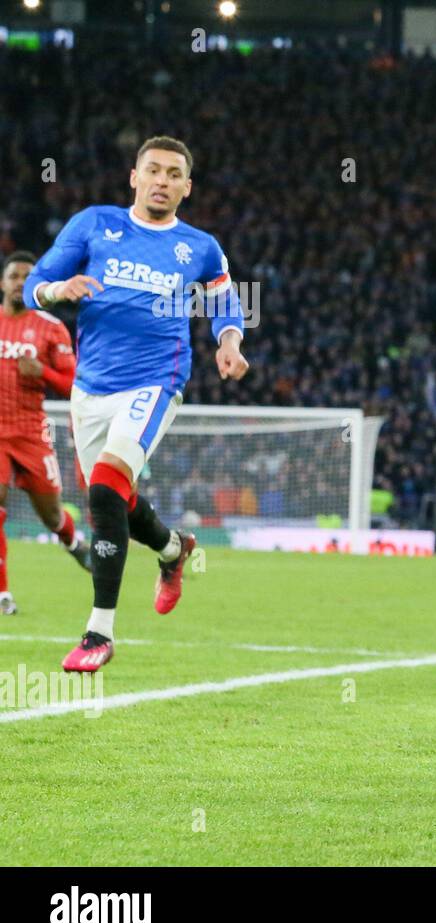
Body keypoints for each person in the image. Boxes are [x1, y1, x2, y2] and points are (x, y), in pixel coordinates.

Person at [24, 136, 250, 672]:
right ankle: (173, 549)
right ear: (134, 176)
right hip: (91, 387)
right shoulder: (93, 224)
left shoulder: (199, 246)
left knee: (105, 486)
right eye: (154, 170)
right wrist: (59, 291)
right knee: (112, 501)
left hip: (157, 379)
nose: (163, 181)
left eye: (174, 174)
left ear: (187, 187)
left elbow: (226, 303)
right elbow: (37, 282)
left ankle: (98, 632)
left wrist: (230, 343)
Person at [0, 250, 93, 613]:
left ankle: (74, 543)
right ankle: (3, 593)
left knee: (53, 516)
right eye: (14, 276)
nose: (20, 282)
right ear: (2, 282)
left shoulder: (51, 327)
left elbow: (74, 384)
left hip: (31, 433)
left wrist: (42, 372)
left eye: (27, 276)